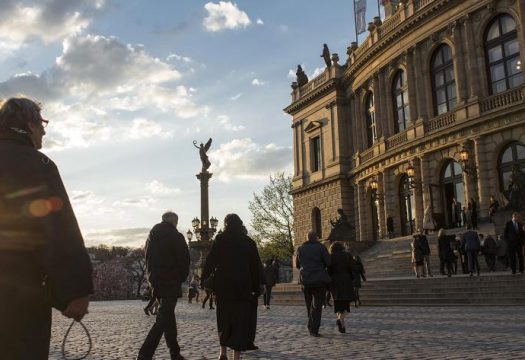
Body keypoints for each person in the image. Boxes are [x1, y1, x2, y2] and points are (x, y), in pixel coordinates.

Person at [0, 98, 93, 359]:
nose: (44, 130)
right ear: (28, 125)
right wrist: (75, 292)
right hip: (18, 297)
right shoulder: (37, 164)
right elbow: (60, 232)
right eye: (41, 124)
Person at [202, 214, 262, 360]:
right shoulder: (249, 242)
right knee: (239, 323)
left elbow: (211, 260)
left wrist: (204, 279)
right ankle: (236, 356)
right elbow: (256, 267)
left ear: (226, 224)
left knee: (223, 320)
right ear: (240, 224)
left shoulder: (221, 239)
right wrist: (258, 287)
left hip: (224, 287)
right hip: (243, 287)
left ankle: (222, 352)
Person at [137, 211, 190, 360]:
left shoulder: (151, 238)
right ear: (174, 222)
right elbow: (184, 260)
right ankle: (144, 354)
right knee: (163, 319)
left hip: (156, 282)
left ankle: (175, 353)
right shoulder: (176, 236)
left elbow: (147, 260)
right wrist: (180, 277)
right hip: (171, 282)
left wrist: (151, 280)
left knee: (168, 317)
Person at [296, 231, 331, 337]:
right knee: (317, 305)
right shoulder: (321, 247)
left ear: (307, 238)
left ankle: (311, 325)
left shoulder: (301, 249)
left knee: (309, 304)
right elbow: (328, 262)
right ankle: (313, 329)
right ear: (316, 238)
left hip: (305, 280)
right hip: (319, 280)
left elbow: (298, 265)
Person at [328, 242, 354, 334]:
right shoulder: (347, 255)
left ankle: (342, 326)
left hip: (334, 282)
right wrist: (352, 278)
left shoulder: (330, 256)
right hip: (346, 281)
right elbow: (352, 268)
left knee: (338, 305)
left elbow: (329, 270)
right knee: (346, 306)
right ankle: (340, 320)